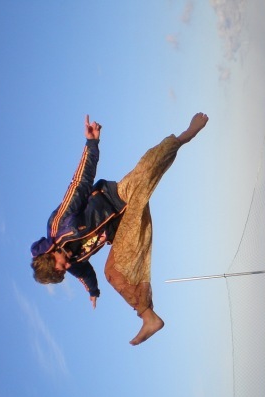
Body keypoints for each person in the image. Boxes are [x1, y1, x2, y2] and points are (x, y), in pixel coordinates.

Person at [31, 112, 209, 345]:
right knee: (113, 273)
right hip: (124, 227)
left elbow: (80, 184)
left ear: (50, 254)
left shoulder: (59, 224)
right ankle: (149, 318)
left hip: (117, 197)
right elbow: (86, 274)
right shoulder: (73, 263)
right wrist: (93, 292)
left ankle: (186, 135)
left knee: (146, 169)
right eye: (64, 271)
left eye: (61, 266)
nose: (67, 267)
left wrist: (92, 143)